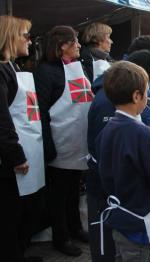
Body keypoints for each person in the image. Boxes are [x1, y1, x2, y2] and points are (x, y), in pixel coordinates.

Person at [95, 61, 150, 262]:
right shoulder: (140, 132)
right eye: (146, 93)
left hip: (118, 217)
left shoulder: (108, 129)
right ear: (136, 96)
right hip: (139, 222)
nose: (148, 98)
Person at [34, 26, 90, 257]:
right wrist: (47, 146)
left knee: (73, 191)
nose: (78, 45)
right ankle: (61, 236)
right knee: (58, 195)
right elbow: (42, 113)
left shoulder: (79, 68)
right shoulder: (46, 72)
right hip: (60, 144)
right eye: (74, 41)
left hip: (78, 144)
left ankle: (75, 227)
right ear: (62, 46)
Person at [0, 15, 44, 262]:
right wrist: (15, 154)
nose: (30, 40)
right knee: (8, 216)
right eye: (25, 35)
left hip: (21, 151)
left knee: (18, 214)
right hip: (7, 160)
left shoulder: (12, 67)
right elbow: (1, 120)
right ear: (9, 36)